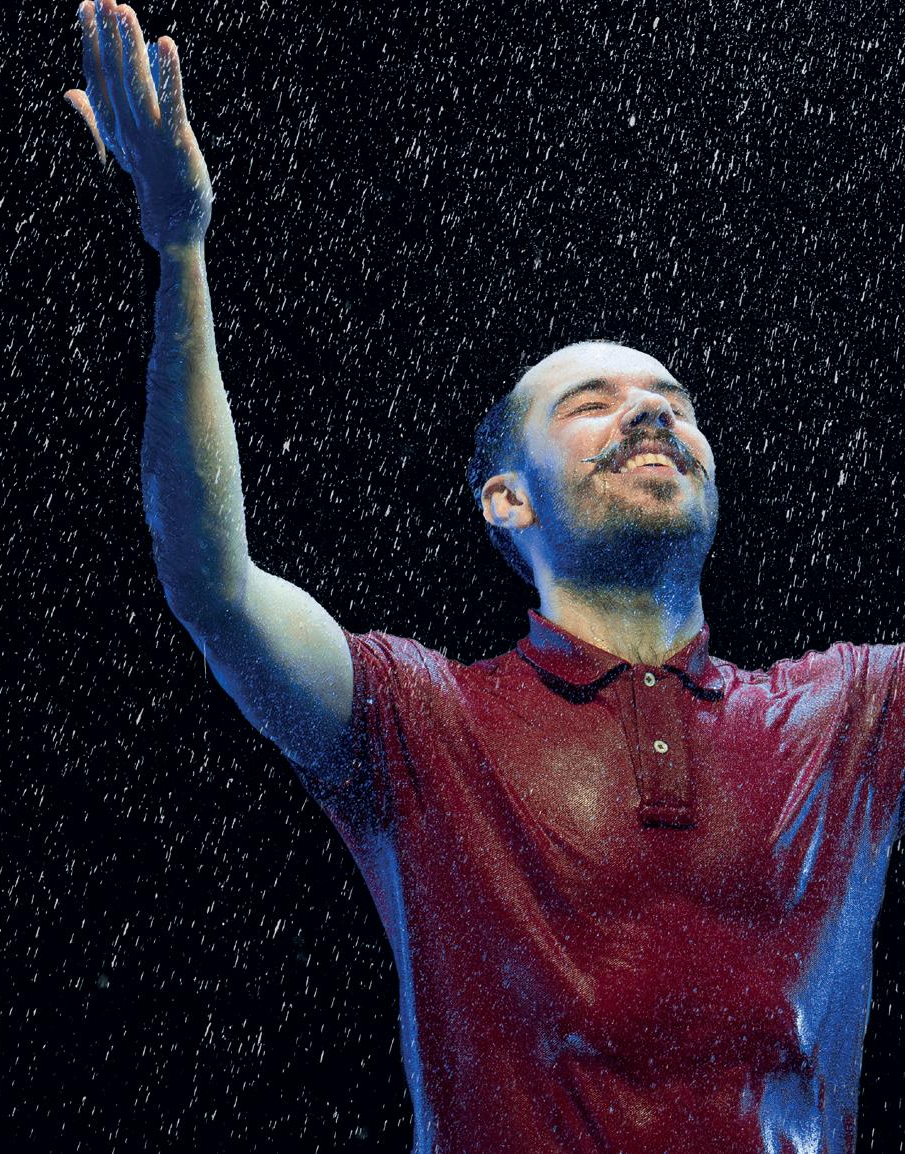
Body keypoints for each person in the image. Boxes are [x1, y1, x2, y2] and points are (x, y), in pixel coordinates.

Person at [63, 4, 905, 1152]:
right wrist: (180, 250)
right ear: (508, 499)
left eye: (674, 401)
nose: (652, 413)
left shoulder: (851, 713)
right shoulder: (419, 721)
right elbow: (212, 583)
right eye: (593, 403)